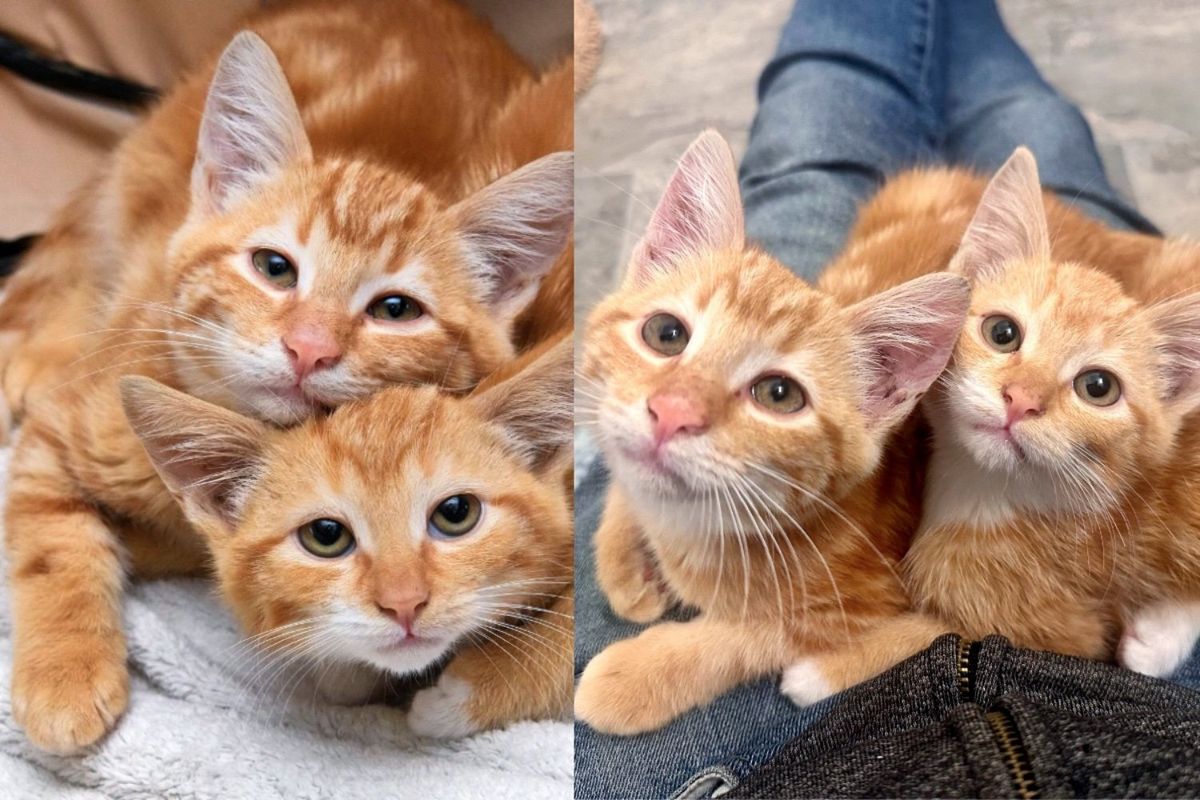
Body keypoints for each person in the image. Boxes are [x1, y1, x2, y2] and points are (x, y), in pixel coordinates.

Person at [574, 2, 1196, 797]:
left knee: (818, 141)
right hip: (974, 278)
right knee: (1034, 135)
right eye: (666, 337)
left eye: (772, 392)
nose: (674, 409)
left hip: (790, 743)